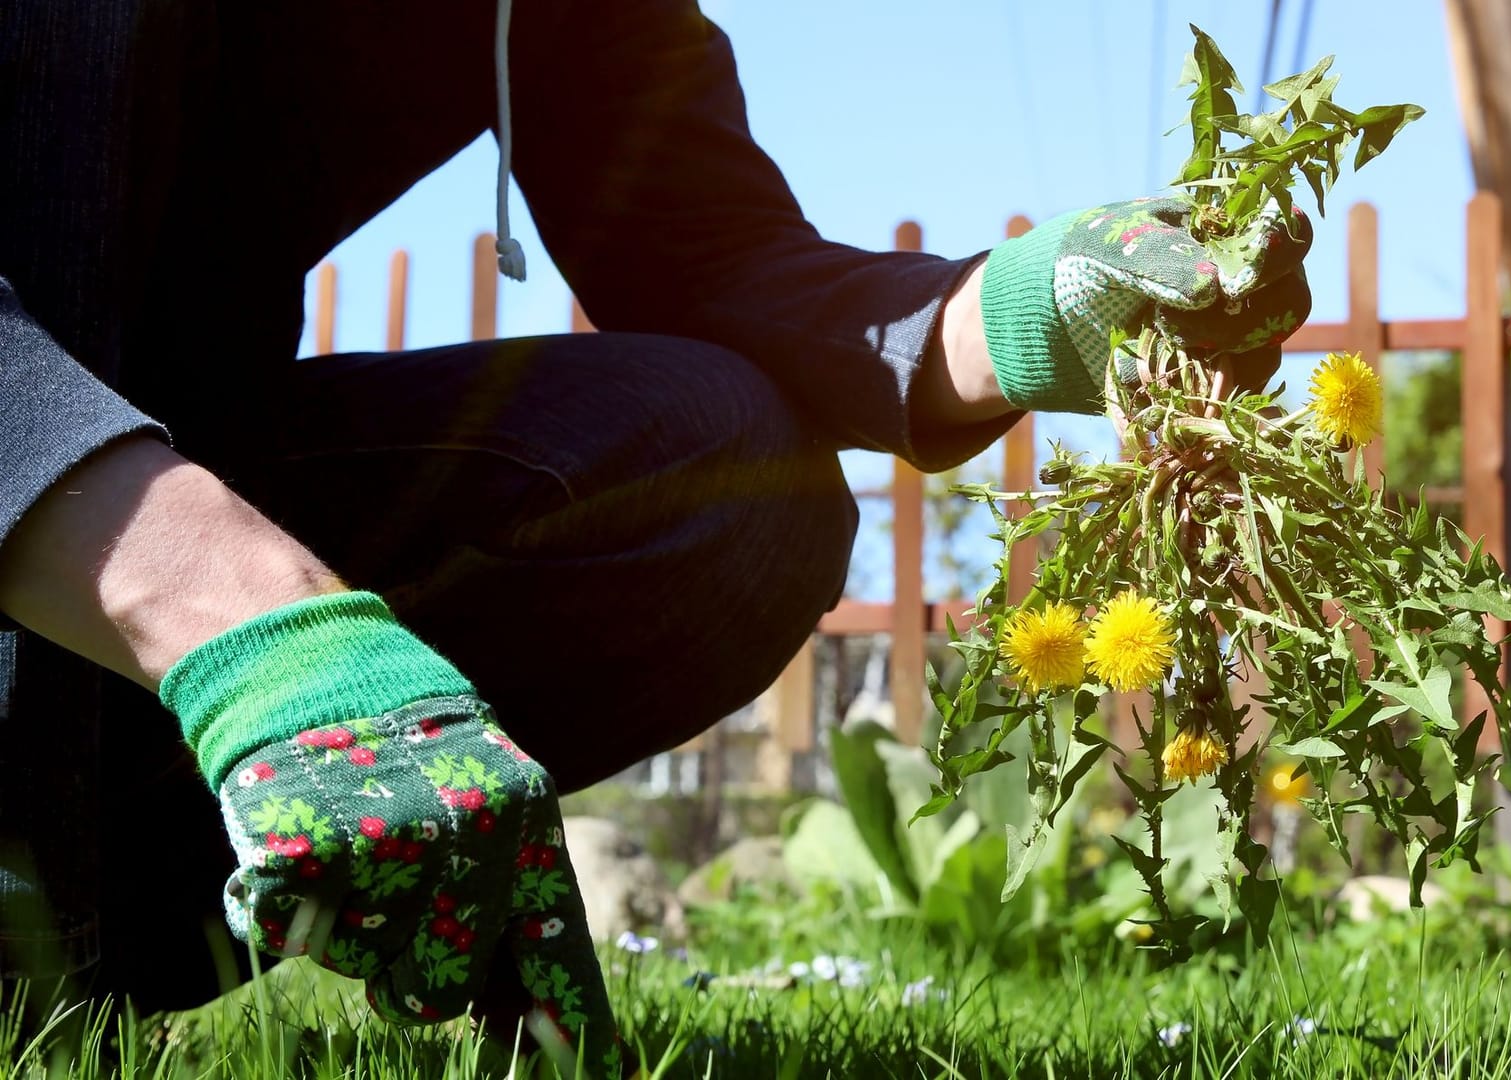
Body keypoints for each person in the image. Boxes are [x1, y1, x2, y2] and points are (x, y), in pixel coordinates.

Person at [0, 0, 1311, 1072]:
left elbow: (712, 255)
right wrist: (261, 638)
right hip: (96, 535)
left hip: (115, 601)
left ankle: (73, 917)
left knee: (725, 474)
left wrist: (1035, 306)